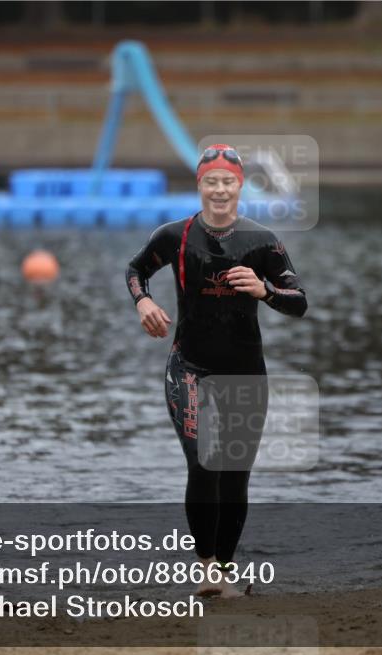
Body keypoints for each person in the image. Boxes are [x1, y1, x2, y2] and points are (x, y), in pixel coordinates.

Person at [125, 144, 307, 598]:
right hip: (190, 367)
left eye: (228, 181)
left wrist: (264, 290)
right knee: (205, 461)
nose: (220, 189)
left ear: (239, 186)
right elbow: (135, 270)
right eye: (211, 181)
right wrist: (144, 301)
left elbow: (298, 302)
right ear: (200, 185)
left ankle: (222, 572)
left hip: (246, 372)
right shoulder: (175, 236)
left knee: (235, 472)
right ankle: (206, 569)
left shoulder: (263, 241)